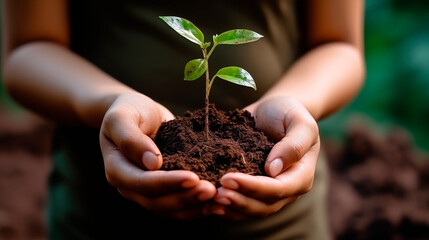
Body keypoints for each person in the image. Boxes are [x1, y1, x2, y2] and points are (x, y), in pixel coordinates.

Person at [2, 0, 364, 239]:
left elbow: (339, 43)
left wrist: (296, 103)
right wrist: (110, 103)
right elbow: (27, 48)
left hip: (283, 228)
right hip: (102, 218)